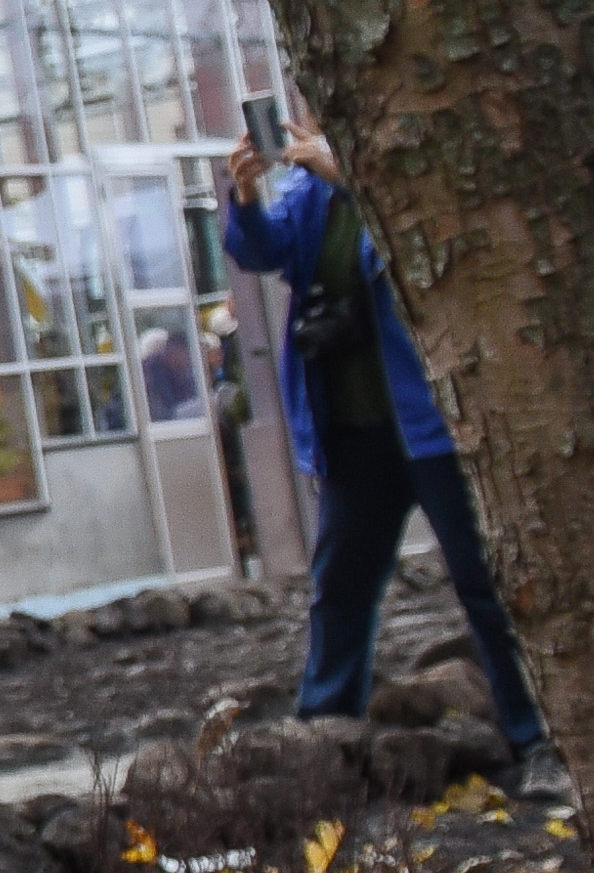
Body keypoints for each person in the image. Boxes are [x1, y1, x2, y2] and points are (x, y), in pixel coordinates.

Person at [223, 117, 544, 767]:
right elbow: (262, 250)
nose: (306, 120)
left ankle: (529, 733)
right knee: (339, 584)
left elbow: (422, 241)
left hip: (432, 426)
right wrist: (246, 198)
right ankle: (323, 731)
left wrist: (348, 175)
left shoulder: (406, 178)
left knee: (481, 582)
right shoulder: (308, 192)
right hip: (352, 428)